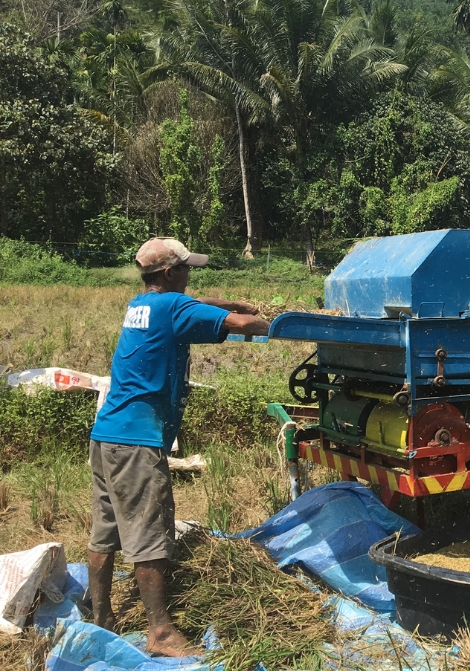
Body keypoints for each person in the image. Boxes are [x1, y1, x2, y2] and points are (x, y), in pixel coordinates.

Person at [87, 237, 269, 657]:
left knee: (106, 530)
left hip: (106, 436)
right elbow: (240, 327)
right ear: (170, 273)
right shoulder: (174, 308)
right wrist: (278, 324)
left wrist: (231, 302)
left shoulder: (142, 303)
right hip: (137, 443)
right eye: (187, 269)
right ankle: (161, 633)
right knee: (149, 533)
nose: (191, 275)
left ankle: (100, 615)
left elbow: (197, 301)